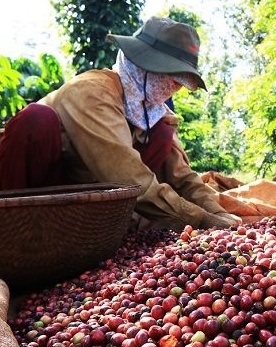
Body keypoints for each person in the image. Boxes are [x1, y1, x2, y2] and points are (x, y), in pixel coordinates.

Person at [0, 17, 241, 231]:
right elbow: (128, 177)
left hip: (84, 201)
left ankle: (100, 227)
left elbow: (182, 176)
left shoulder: (151, 112)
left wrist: (218, 214)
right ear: (145, 66)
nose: (175, 88)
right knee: (37, 120)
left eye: (181, 82)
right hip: (37, 190)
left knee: (163, 135)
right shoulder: (93, 92)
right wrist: (199, 220)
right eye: (172, 77)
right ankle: (14, 231)